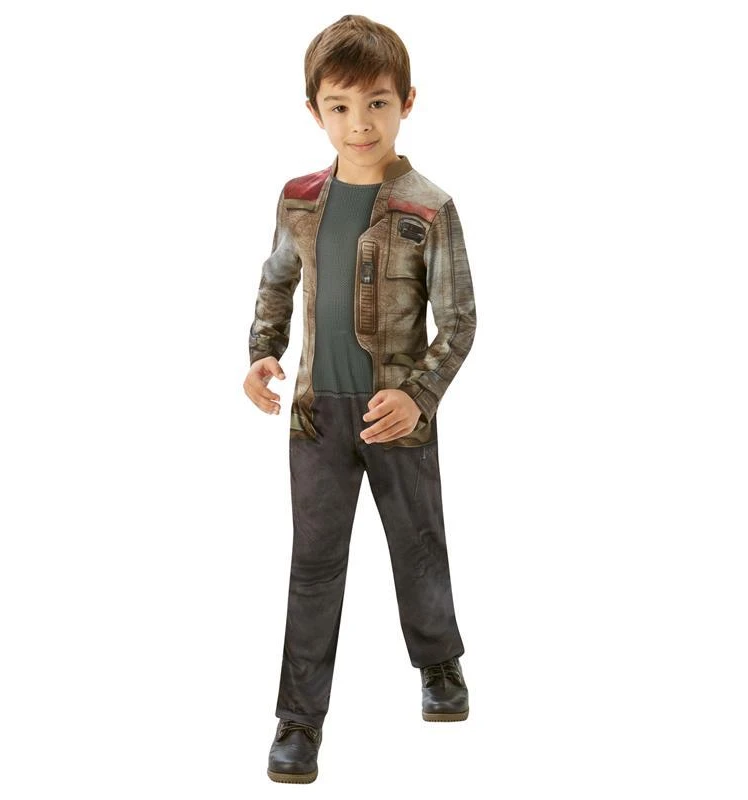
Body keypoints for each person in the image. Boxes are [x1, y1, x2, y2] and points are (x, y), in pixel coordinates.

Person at [243, 14, 477, 784]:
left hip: (395, 416)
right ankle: (298, 721)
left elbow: (460, 320)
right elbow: (276, 282)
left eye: (376, 103)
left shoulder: (428, 206)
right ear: (315, 110)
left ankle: (439, 663)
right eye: (339, 106)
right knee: (313, 566)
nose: (360, 123)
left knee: (417, 545)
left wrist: (418, 397)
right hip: (317, 417)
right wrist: (263, 352)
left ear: (407, 101)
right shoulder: (299, 199)